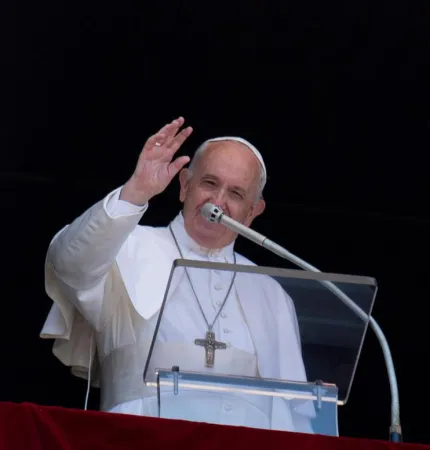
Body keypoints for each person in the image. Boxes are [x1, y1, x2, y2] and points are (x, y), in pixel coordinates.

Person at [40, 117, 315, 433]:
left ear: (253, 212)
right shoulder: (126, 247)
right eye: (209, 183)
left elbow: (298, 415)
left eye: (236, 194)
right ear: (185, 185)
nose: (218, 201)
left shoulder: (271, 294)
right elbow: (68, 264)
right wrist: (136, 192)